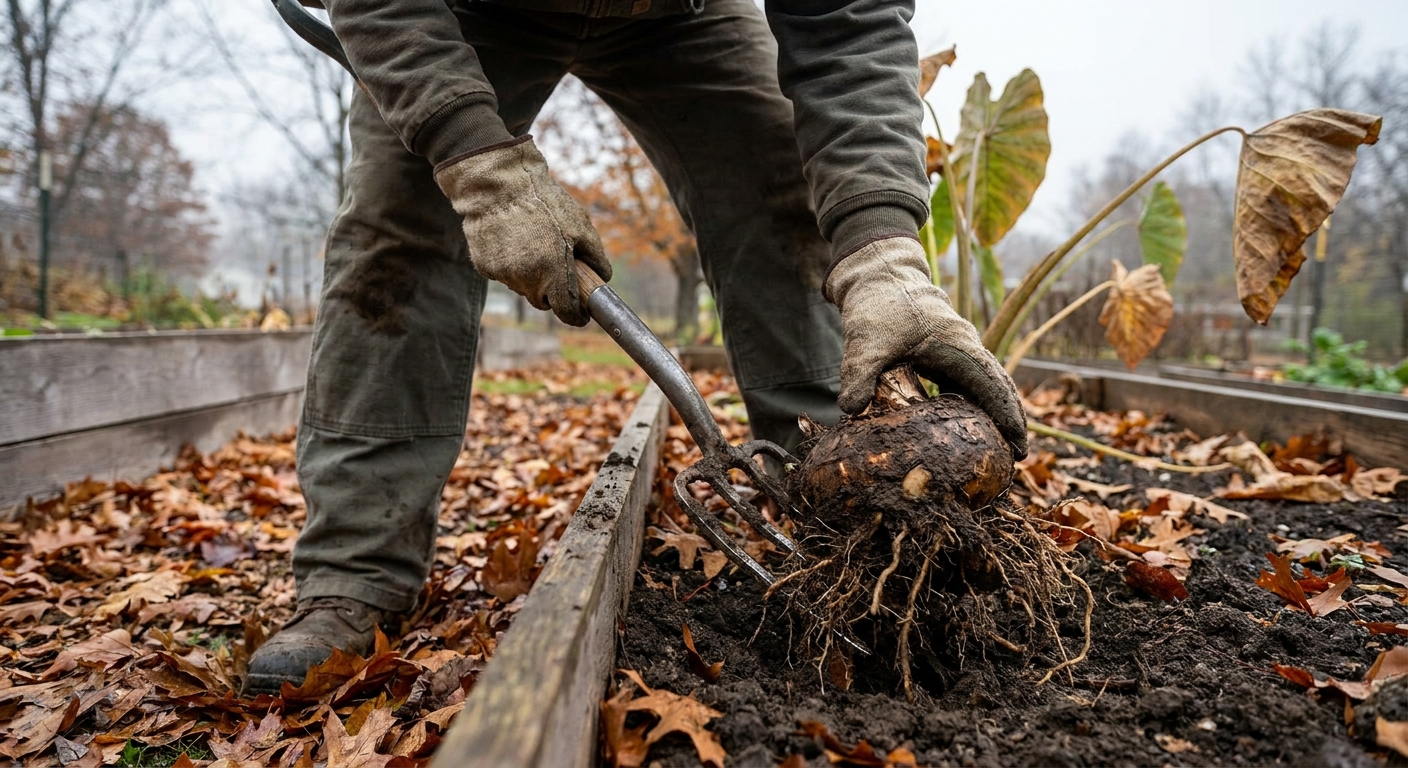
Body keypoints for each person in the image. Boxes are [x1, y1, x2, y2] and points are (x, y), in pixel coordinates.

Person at [244, 0, 1028, 694]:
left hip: (680, 12)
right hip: (464, 9)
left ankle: (850, 528)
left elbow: (847, 16)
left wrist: (882, 249)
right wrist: (477, 164)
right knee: (400, 227)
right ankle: (354, 574)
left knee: (784, 190)